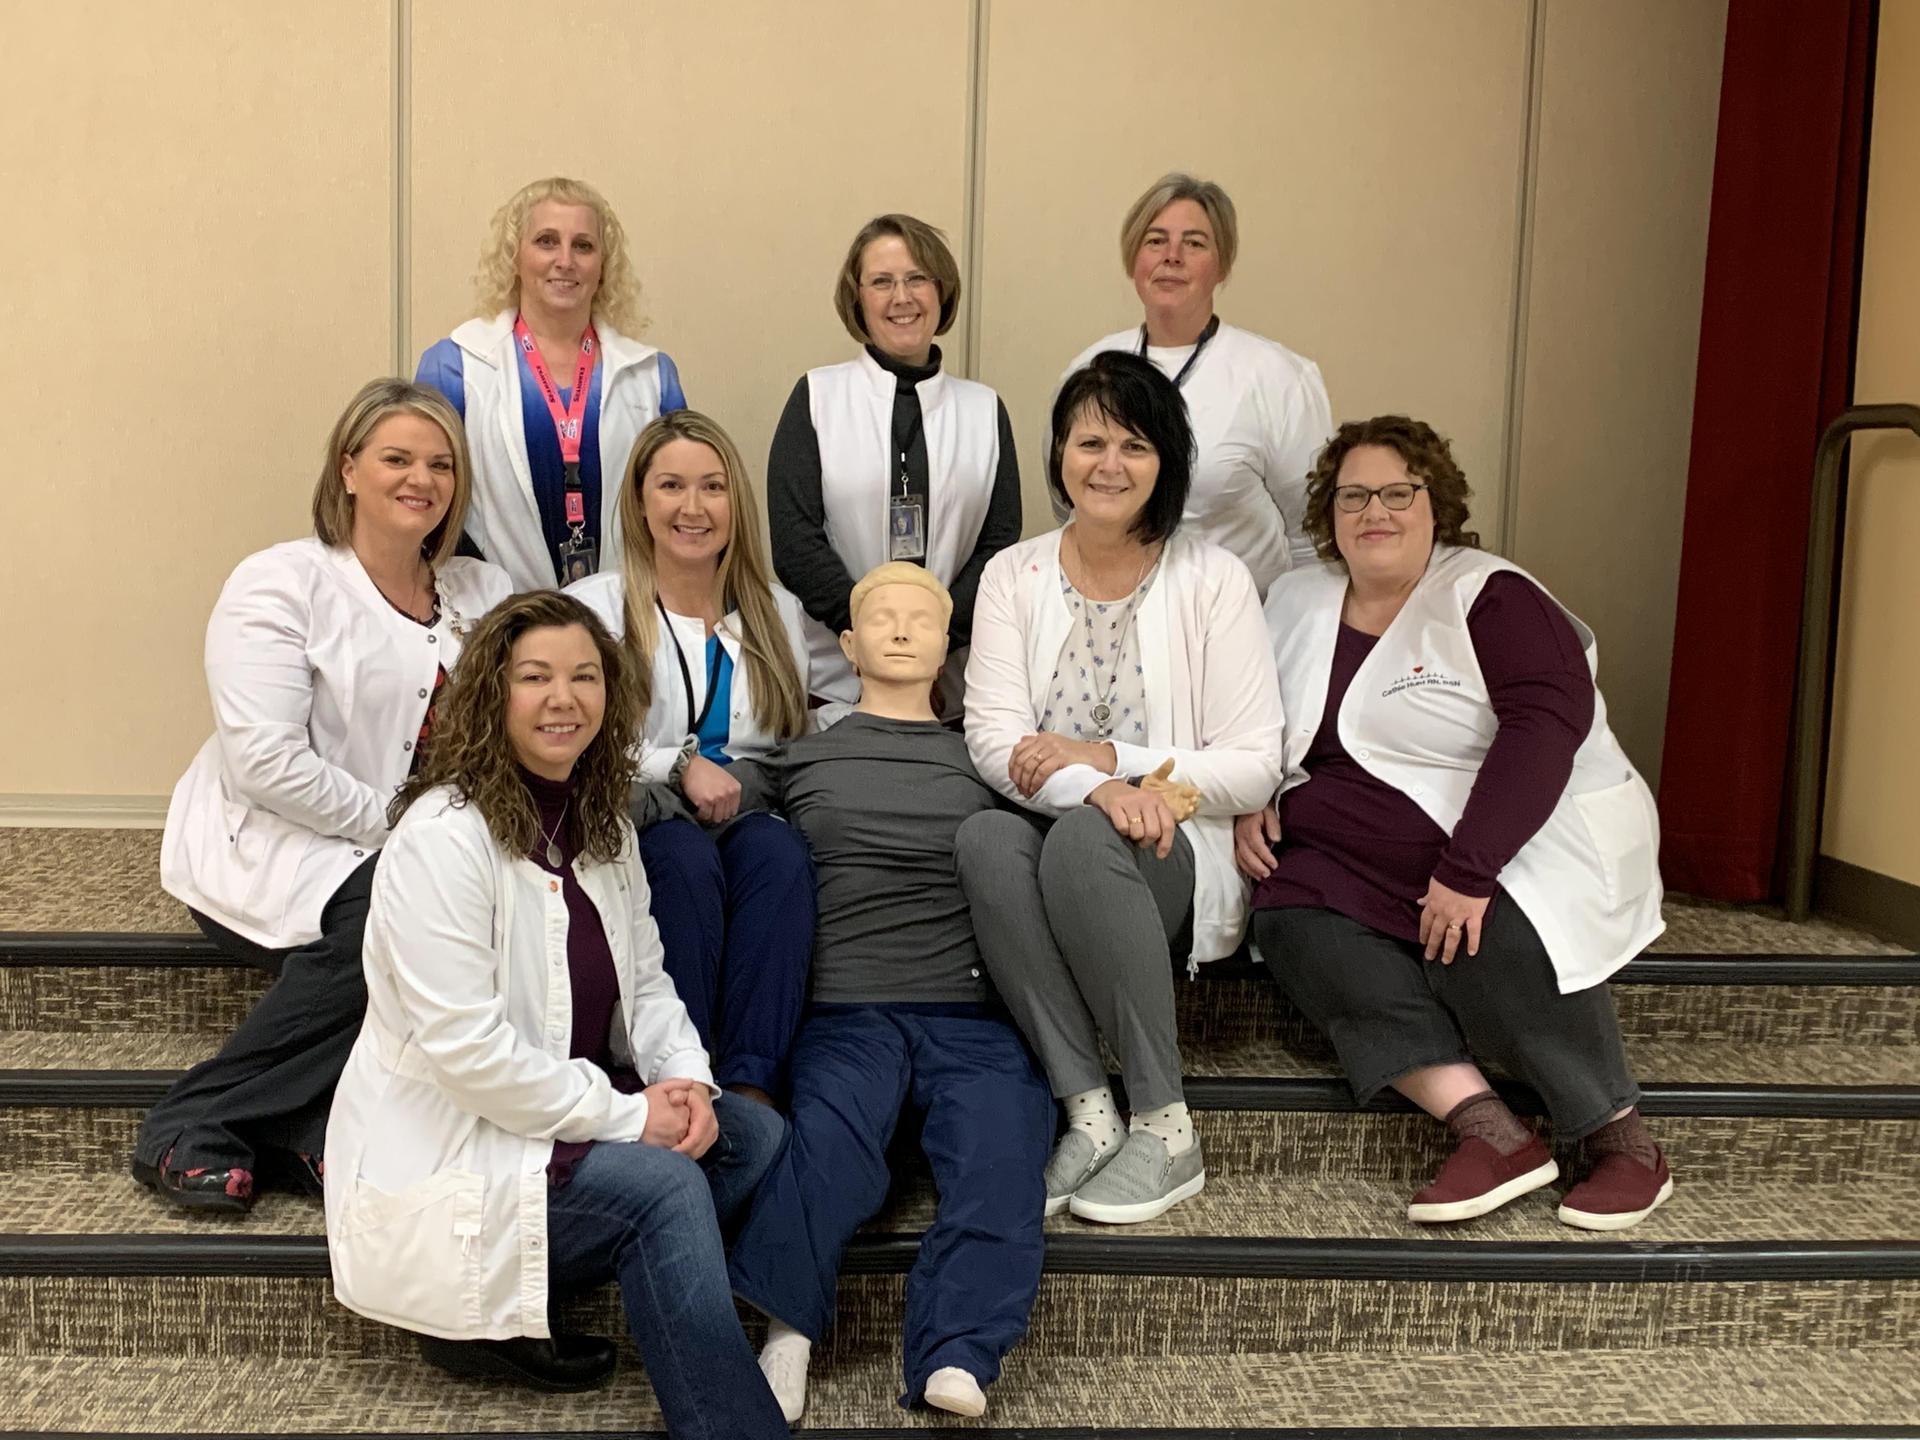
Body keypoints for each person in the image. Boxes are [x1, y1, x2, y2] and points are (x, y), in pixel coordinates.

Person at [325, 590, 790, 1438]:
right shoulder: (443, 836)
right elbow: (469, 1054)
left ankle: (517, 1306)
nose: (562, 698)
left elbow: (646, 983)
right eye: (534, 677)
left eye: (584, 677)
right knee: (664, 1187)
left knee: (748, 1136)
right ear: (491, 694)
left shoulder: (601, 820)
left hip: (557, 1123)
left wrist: (684, 1081)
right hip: (460, 1148)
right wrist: (628, 1116)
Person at [1239, 416, 1671, 1231]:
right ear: (1328, 514)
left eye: (1399, 492)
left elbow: (1547, 727)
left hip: (1505, 835)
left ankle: (1620, 1140)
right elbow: (1254, 714)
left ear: (1438, 502)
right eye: (1353, 495)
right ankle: (1489, 1129)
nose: (1376, 511)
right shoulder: (1297, 599)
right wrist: (1252, 789)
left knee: (1485, 933)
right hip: (1339, 858)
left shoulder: (1490, 595)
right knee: (1292, 920)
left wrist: (1468, 871)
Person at [136, 379, 513, 1212]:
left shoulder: (483, 595)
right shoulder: (281, 583)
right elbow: (263, 760)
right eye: (397, 458)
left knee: (478, 907)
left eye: (441, 464)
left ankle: (304, 1124)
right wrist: (401, 830)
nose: (422, 478)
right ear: (347, 469)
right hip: (271, 840)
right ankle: (191, 1118)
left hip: (425, 845)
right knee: (405, 901)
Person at [956, 351, 1285, 1226]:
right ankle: (1090, 1113)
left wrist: (1109, 760)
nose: (1109, 464)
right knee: (985, 840)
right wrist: (1098, 787)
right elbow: (993, 740)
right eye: (1089, 440)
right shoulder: (1012, 575)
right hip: (1064, 825)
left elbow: (1255, 761)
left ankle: (1166, 1124)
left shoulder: (1213, 578)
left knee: (1082, 836)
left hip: (1170, 849)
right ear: (1059, 453)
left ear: (1167, 462)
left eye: (1135, 445)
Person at [725, 564, 1053, 1424]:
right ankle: (787, 1333)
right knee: (828, 1142)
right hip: (847, 1008)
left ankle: (960, 1349)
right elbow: (706, 810)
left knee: (1004, 1148)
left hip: (968, 1009)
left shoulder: (982, 757)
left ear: (950, 646)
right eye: (882, 617)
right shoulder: (803, 752)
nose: (903, 630)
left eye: (923, 619)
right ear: (847, 643)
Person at [567, 410, 818, 1104]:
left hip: (748, 809)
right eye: (671, 486)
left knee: (780, 858)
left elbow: (810, 722)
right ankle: (684, 1079)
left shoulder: (776, 612)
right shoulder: (594, 611)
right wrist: (676, 765)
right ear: (640, 502)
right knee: (681, 858)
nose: (693, 507)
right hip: (642, 815)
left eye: (712, 488)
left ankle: (752, 1085)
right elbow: (567, 734)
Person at [767, 213, 1021, 709]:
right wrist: (867, 637)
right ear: (857, 298)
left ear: (941, 291)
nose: (900, 297)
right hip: (836, 684)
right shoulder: (817, 397)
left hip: (950, 690)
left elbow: (998, 545)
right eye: (881, 281)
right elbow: (795, 543)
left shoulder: (984, 410)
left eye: (917, 278)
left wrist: (935, 640)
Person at [1059, 173, 1332, 594]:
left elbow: (1311, 536)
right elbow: (1070, 503)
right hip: (1117, 621)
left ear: (1221, 264)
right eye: (1155, 241)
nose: (1172, 256)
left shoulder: (1279, 377)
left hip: (1245, 624)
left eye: (1194, 243)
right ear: (1134, 258)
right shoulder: (1090, 370)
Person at [416, 176, 688, 591]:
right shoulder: (455, 365)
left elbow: (677, 497)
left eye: (583, 245)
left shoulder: (651, 375)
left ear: (603, 265)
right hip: (494, 614)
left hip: (623, 615)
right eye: (546, 241)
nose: (565, 260)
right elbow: (428, 499)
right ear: (515, 257)